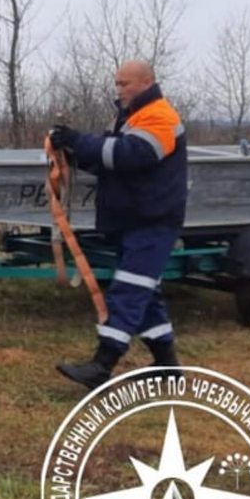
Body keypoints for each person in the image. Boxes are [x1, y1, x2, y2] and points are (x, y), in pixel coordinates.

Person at [49, 59, 188, 389]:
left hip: (153, 221)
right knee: (145, 295)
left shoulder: (160, 117)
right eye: (117, 83)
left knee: (128, 292)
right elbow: (109, 161)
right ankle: (168, 366)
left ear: (146, 82)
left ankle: (102, 365)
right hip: (136, 220)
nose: (119, 89)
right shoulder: (129, 116)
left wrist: (78, 140)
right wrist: (72, 153)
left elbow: (131, 155)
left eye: (125, 83)